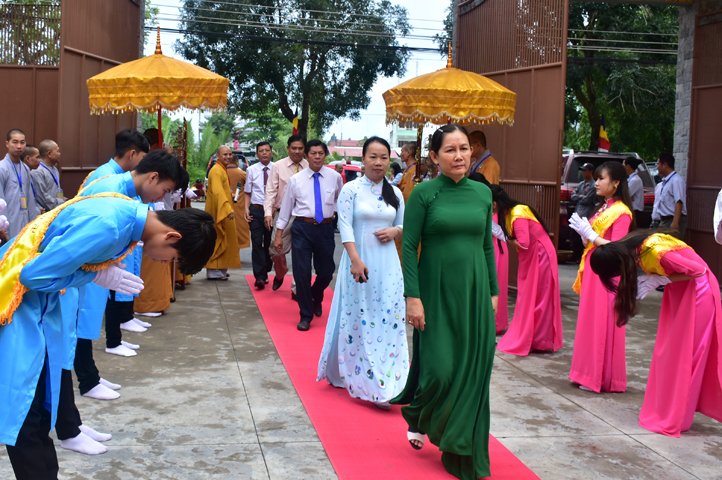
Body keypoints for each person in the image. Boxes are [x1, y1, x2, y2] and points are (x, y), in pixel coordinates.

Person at [0, 193, 216, 480]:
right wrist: (94, 276)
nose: (164, 263)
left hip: (38, 305)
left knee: (39, 410)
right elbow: (33, 276)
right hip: (16, 303)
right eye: (172, 259)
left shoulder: (126, 215)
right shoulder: (109, 226)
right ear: (172, 236)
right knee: (24, 414)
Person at [391, 124, 498, 480]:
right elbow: (409, 246)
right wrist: (413, 297)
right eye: (450, 150)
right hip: (434, 291)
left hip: (474, 292)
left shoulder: (482, 193)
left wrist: (493, 292)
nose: (459, 156)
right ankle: (420, 411)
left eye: (464, 148)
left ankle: (459, 445)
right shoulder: (424, 193)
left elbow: (486, 246)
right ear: (435, 157)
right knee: (439, 371)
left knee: (471, 372)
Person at [590, 231, 722, 437]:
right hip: (681, 290)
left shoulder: (656, 252)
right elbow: (608, 245)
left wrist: (660, 279)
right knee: (671, 353)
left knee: (686, 355)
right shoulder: (631, 247)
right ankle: (671, 409)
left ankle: (678, 415)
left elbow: (699, 270)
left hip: (698, 293)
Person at [317, 136, 408, 408]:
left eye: (384, 157)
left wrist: (395, 231)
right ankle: (369, 382)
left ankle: (390, 379)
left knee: (388, 318)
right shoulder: (351, 189)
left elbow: (404, 224)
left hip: (388, 265)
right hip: (359, 263)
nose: (378, 162)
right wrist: (355, 260)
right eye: (373, 157)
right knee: (361, 318)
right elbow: (344, 226)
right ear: (363, 159)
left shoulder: (395, 193)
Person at [568, 161, 635, 393]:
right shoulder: (604, 207)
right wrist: (585, 235)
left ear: (616, 183)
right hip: (593, 268)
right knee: (589, 322)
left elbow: (619, 248)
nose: (596, 183)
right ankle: (586, 373)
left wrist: (592, 236)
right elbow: (595, 239)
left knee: (600, 323)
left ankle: (598, 377)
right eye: (596, 178)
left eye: (601, 178)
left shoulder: (622, 212)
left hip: (606, 273)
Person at [274, 140, 343, 331]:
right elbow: (286, 209)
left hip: (325, 228)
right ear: (307, 155)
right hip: (301, 228)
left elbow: (340, 199)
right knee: (301, 272)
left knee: (327, 272)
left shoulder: (335, 177)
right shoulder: (296, 180)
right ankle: (305, 314)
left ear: (325, 155)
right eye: (313, 153)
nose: (317, 157)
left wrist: (333, 211)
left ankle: (316, 295)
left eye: (321, 153)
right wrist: (279, 234)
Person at [492, 185, 563, 356]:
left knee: (540, 298)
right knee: (530, 297)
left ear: (494, 203)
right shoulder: (511, 212)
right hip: (533, 257)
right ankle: (535, 339)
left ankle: (540, 340)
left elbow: (523, 243)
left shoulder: (517, 213)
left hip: (541, 257)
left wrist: (506, 238)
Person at [264, 134, 308, 296]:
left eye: (300, 148)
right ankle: (281, 272)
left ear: (304, 150)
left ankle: (297, 289)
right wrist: (268, 213)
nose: (297, 151)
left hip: (304, 215)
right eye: (294, 148)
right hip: (283, 214)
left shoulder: (310, 166)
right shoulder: (278, 166)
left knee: (301, 252)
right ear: (288, 149)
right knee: (276, 250)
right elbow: (270, 191)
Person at [469, 173, 508, 334]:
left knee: (494, 284)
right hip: (494, 247)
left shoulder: (488, 204)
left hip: (495, 248)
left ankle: (494, 323)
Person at [205, 145, 242, 280]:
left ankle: (220, 270)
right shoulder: (216, 170)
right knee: (219, 239)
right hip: (219, 211)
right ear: (218, 156)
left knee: (225, 239)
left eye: (230, 154)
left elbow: (222, 190)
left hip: (222, 209)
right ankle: (215, 271)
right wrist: (227, 208)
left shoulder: (221, 169)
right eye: (225, 154)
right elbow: (217, 192)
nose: (228, 157)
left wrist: (229, 194)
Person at [244, 142, 274, 289]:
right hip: (256, 209)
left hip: (272, 211)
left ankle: (266, 269)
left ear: (271, 152)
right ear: (257, 154)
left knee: (269, 243)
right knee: (257, 243)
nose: (264, 153)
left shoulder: (277, 168)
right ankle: (260, 277)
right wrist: (246, 208)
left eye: (267, 150)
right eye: (261, 151)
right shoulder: (251, 170)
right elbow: (247, 191)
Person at [0, 129, 39, 238]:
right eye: (15, 142)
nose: (19, 146)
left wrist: (33, 225)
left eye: (22, 142)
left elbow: (30, 199)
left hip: (24, 222)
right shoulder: (2, 168)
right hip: (8, 224)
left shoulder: (25, 168)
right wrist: (1, 227)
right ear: (7, 144)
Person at [651, 153, 687, 239]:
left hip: (672, 220)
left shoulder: (676, 180)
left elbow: (679, 202)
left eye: (658, 164)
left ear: (665, 165)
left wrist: (675, 222)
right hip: (666, 220)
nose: (657, 167)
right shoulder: (666, 181)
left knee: (672, 244)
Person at [570, 163, 597, 262]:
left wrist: (578, 196)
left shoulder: (593, 186)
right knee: (574, 235)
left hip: (586, 214)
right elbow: (573, 196)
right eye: (582, 170)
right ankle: (575, 255)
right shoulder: (581, 184)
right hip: (578, 212)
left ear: (591, 171)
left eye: (585, 170)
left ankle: (581, 257)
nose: (583, 172)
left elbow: (587, 200)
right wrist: (581, 196)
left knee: (582, 236)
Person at [31, 139, 65, 212]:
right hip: (45, 212)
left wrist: (64, 200)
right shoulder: (38, 171)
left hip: (57, 208)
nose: (59, 154)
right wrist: (62, 203)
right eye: (57, 151)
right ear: (49, 154)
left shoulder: (55, 169)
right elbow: (42, 197)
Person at [227, 153, 250, 249]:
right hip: (239, 207)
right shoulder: (242, 174)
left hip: (224, 206)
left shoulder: (222, 173)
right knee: (238, 233)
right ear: (237, 162)